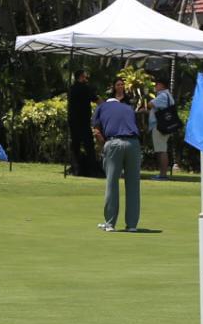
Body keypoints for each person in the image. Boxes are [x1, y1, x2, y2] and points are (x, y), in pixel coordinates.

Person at [92, 83, 142, 232]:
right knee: (133, 184)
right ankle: (132, 225)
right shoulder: (128, 107)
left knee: (112, 183)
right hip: (134, 144)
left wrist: (103, 145)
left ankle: (110, 224)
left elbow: (96, 131)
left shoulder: (101, 107)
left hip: (114, 142)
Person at [67, 69, 99, 178]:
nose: (86, 79)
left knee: (75, 145)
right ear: (80, 77)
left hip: (73, 121)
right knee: (88, 145)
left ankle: (76, 168)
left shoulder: (71, 88)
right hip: (83, 121)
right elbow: (95, 99)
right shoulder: (86, 88)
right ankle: (92, 169)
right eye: (85, 77)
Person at [149, 76, 174, 180]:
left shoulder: (163, 95)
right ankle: (162, 173)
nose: (155, 86)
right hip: (164, 125)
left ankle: (163, 175)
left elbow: (151, 104)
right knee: (161, 149)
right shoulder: (167, 95)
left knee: (161, 150)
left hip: (159, 126)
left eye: (156, 84)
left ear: (162, 85)